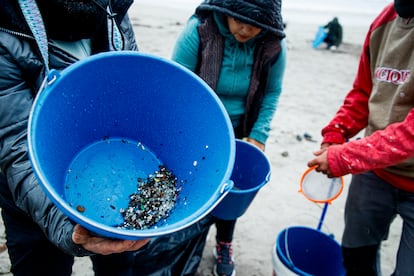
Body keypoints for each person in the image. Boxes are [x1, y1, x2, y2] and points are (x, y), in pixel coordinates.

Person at [0, 1, 149, 275]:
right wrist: (66, 226)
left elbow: (130, 87)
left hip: (112, 170)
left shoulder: (112, 11)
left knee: (120, 262)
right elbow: (15, 142)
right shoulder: (6, 29)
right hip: (31, 188)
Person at [171, 0, 286, 275]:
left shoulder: (272, 46)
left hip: (240, 131)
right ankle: (185, 242)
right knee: (194, 188)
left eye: (256, 24)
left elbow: (271, 92)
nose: (246, 29)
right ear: (225, 11)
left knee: (233, 191)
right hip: (198, 128)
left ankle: (224, 241)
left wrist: (258, 135)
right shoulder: (198, 31)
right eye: (239, 20)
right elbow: (177, 85)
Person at [307, 1, 414, 275]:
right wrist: (336, 133)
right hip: (375, 172)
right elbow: (364, 92)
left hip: (382, 163)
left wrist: (345, 157)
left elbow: (409, 135)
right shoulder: (384, 22)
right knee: (355, 255)